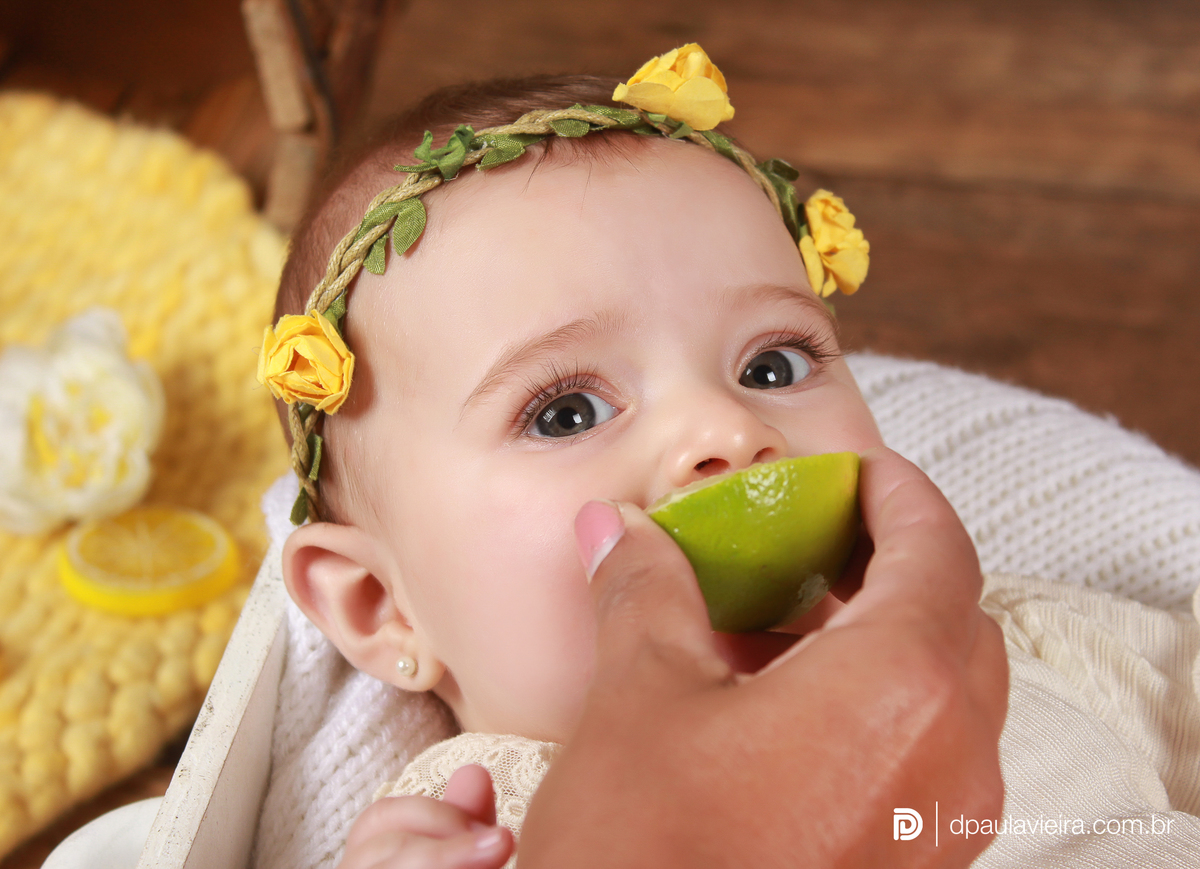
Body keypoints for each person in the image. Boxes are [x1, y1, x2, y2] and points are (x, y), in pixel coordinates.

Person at [258, 47, 1200, 869]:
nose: (722, 429)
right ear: (381, 607)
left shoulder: (1004, 642)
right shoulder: (474, 823)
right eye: (566, 412)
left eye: (773, 363)